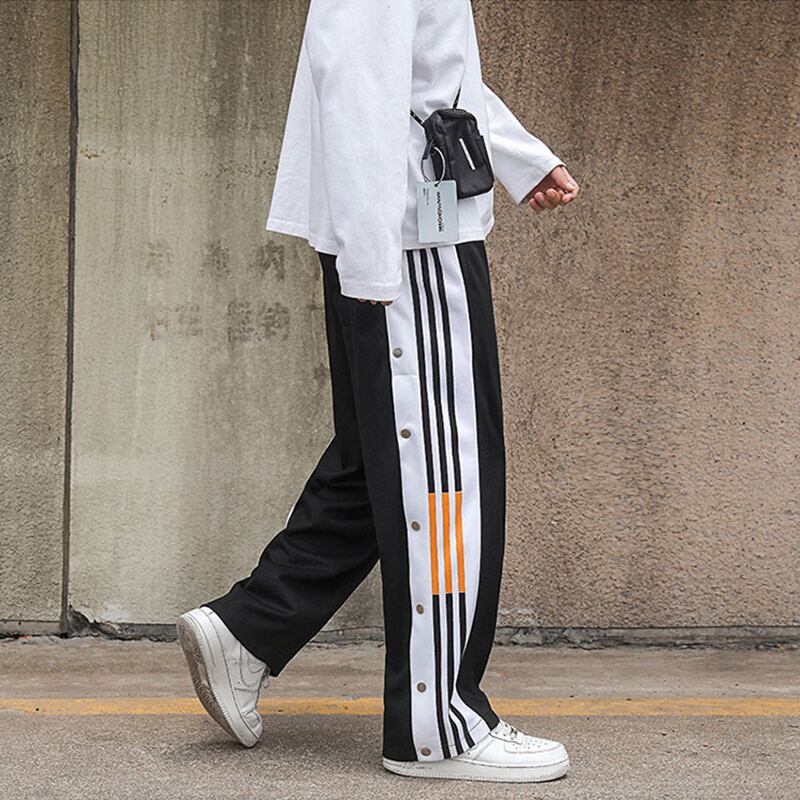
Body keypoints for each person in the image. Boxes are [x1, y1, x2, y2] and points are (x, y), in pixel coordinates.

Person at [177, 0, 580, 784]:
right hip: (410, 247)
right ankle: (439, 725)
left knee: (382, 462)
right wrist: (372, 265)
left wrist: (518, 156)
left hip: (401, 234)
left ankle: (248, 632)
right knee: (446, 478)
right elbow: (358, 83)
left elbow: (432, 79)